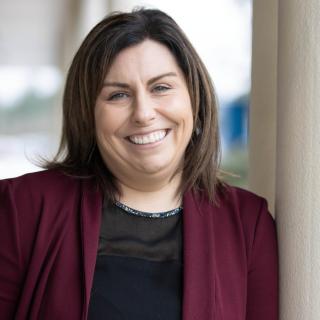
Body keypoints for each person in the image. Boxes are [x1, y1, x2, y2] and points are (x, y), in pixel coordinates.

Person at [0, 8, 278, 320]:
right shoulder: (18, 208)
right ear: (88, 114)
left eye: (161, 87)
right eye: (118, 95)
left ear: (194, 98)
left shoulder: (247, 225)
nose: (143, 113)